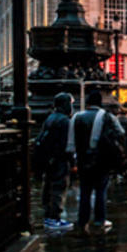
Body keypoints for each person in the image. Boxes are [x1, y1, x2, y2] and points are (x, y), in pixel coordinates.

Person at [67, 90, 125, 232]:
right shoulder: (107, 116)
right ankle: (100, 219)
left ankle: (83, 219)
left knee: (85, 190)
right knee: (101, 190)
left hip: (82, 158)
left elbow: (71, 140)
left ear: (87, 102)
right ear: (100, 102)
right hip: (101, 158)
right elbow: (121, 133)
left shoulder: (77, 117)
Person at [38, 92, 74, 231]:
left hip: (49, 159)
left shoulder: (51, 118)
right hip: (60, 159)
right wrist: (72, 161)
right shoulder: (64, 121)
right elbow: (67, 143)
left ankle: (48, 216)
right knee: (59, 187)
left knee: (48, 186)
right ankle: (55, 218)